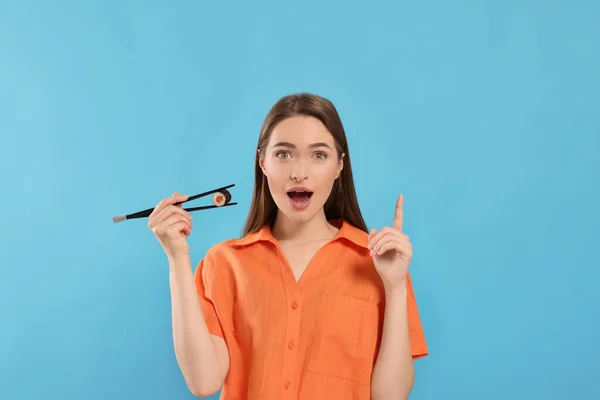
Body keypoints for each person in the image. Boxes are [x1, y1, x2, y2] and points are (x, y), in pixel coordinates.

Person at [148, 93, 428, 399]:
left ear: (339, 165)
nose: (299, 172)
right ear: (263, 162)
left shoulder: (378, 262)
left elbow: (391, 396)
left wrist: (396, 286)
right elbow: (204, 383)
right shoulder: (225, 263)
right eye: (284, 154)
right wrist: (177, 258)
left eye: (318, 155)